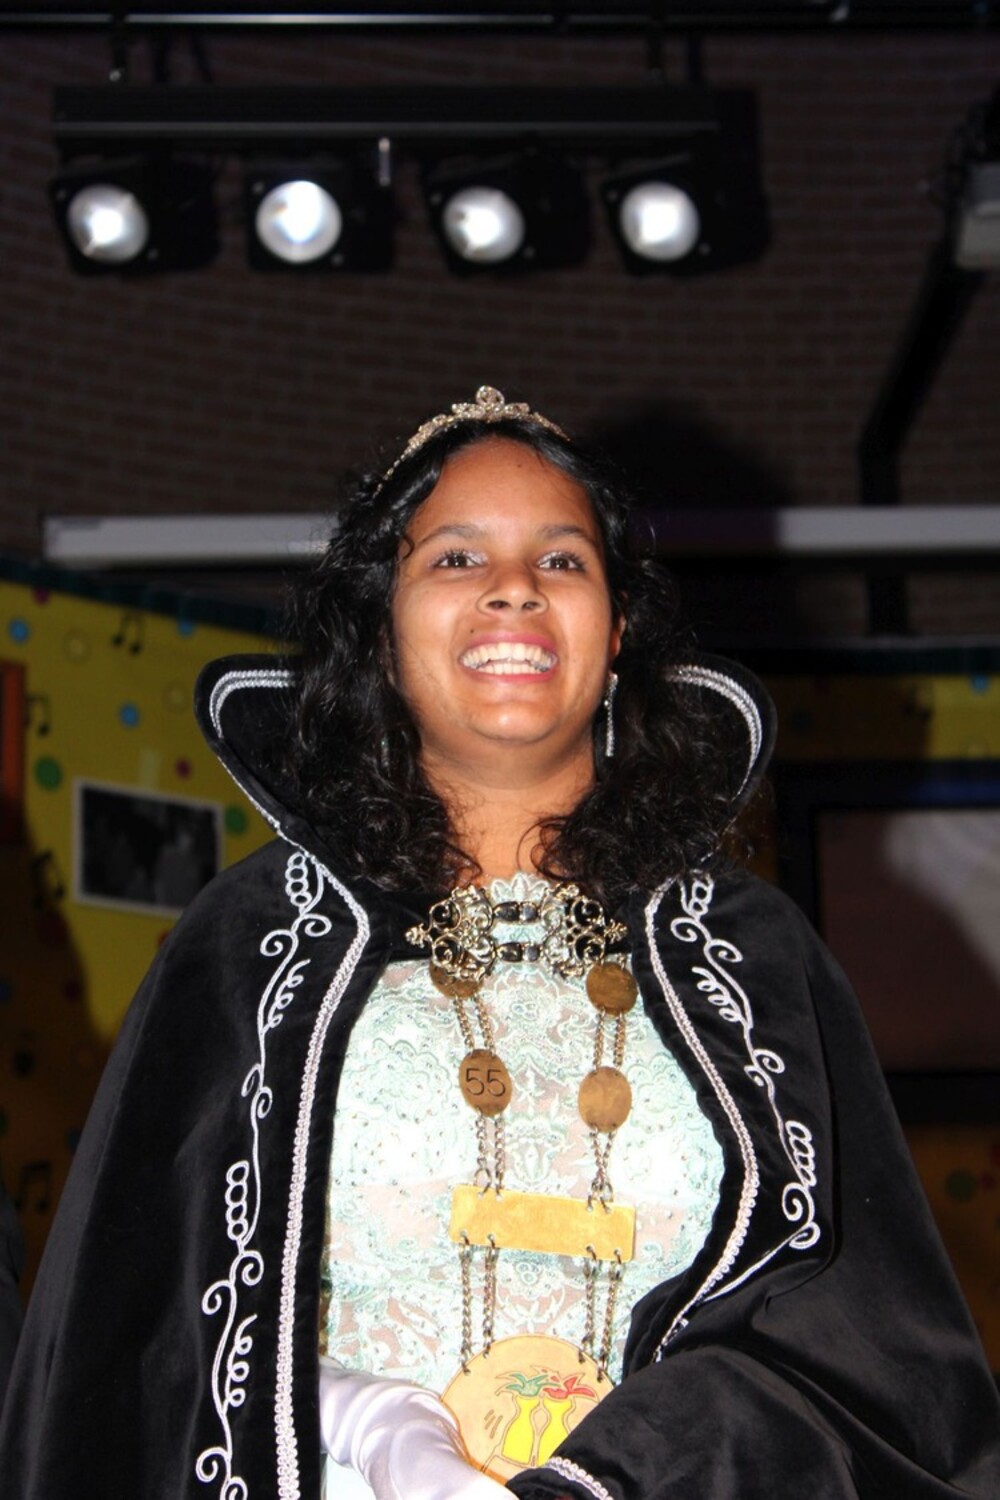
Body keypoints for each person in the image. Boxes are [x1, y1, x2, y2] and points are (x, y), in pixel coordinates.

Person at [1, 387, 997, 1500]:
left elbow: (873, 1363)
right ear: (382, 632)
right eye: (457, 558)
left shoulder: (749, 957)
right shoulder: (252, 944)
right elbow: (136, 1344)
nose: (514, 586)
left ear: (617, 635)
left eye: (562, 560)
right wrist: (362, 1420)